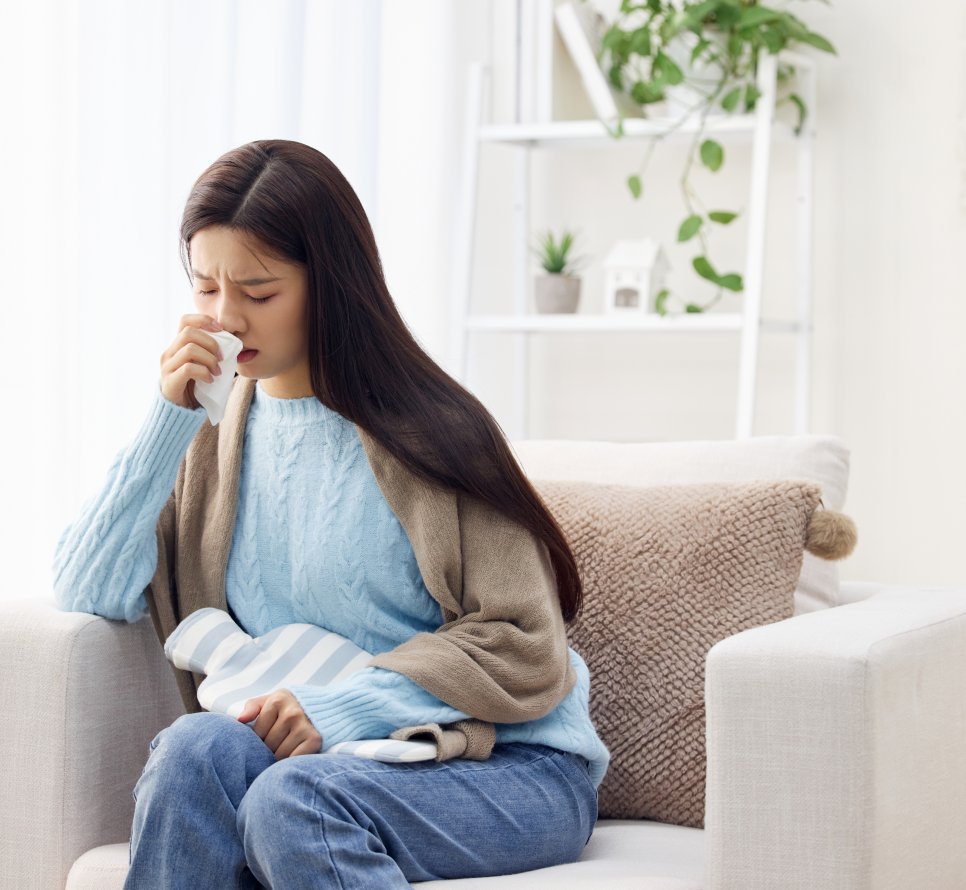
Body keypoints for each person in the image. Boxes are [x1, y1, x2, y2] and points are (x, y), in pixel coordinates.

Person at [53, 140, 609, 890]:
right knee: (194, 751)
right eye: (207, 287)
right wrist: (167, 423)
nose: (226, 318)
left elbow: (524, 643)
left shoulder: (435, 431)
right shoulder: (212, 442)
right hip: (335, 767)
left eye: (259, 290)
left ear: (331, 286)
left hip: (507, 765)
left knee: (292, 802)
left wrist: (340, 707)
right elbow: (90, 587)